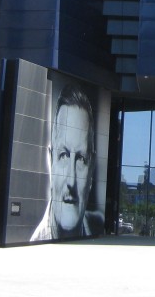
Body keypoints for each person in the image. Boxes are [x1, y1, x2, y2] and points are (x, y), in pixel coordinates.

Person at [31, 83, 104, 240]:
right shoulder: (36, 240)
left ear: (91, 169)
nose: (71, 180)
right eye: (63, 156)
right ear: (51, 163)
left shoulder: (98, 223)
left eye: (81, 159)